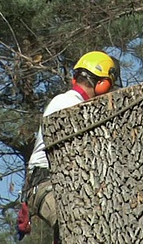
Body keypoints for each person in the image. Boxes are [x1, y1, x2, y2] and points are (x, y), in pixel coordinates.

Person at [21, 51, 119, 242]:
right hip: (45, 181)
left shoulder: (72, 103)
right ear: (102, 84)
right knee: (76, 223)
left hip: (57, 181)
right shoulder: (69, 103)